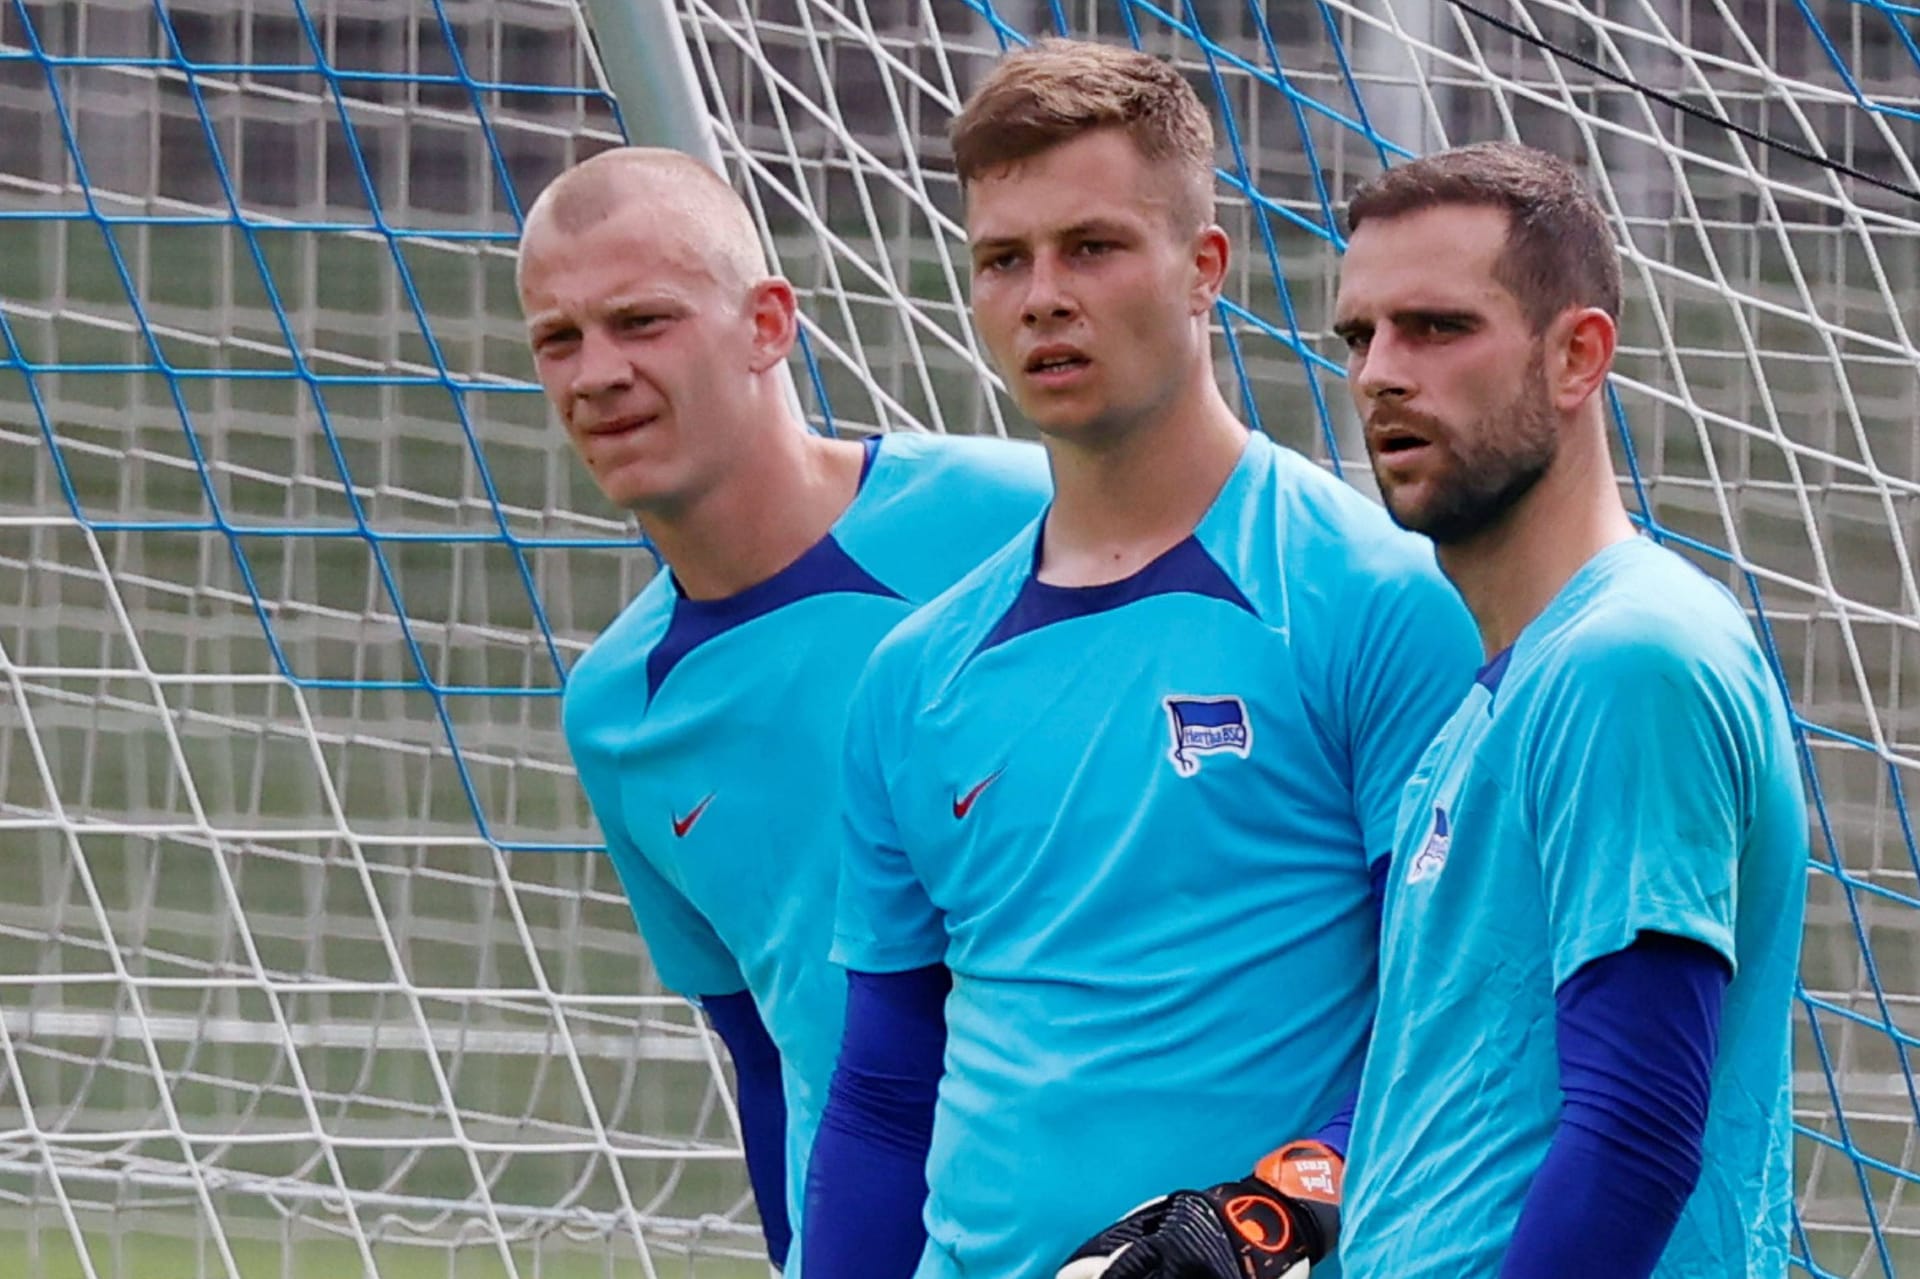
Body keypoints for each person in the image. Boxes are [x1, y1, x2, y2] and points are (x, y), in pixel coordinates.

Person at [800, 40, 1480, 1279]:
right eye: (1004, 259)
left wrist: (1265, 1221)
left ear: (1203, 268)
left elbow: (1455, 1027)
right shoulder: (912, 678)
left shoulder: (1375, 602)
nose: (1043, 295)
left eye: (1092, 248)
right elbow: (885, 1096)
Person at [517, 145, 1052, 1272]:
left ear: (767, 323)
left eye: (641, 321)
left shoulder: (1024, 517)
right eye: (558, 340)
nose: (594, 372)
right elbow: (763, 1051)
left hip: (1148, 1223)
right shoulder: (617, 710)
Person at [1321, 143, 1807, 1279]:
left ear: (1578, 356)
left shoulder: (1630, 659)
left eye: (1437, 327)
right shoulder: (1492, 701)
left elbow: (1634, 1135)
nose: (1381, 372)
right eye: (1360, 334)